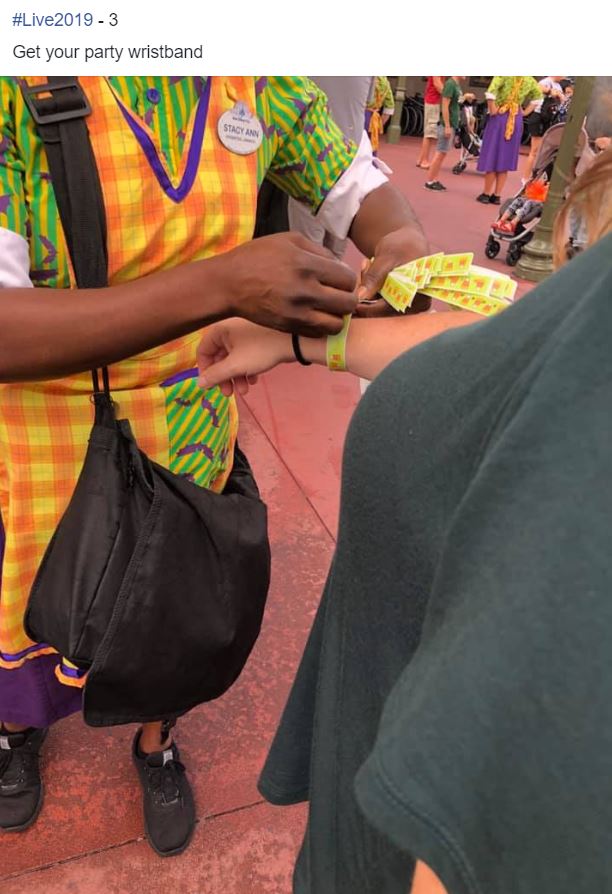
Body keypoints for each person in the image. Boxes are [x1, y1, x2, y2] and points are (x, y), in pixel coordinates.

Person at [0, 75, 428, 854]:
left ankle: (155, 740)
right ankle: (17, 732)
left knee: (181, 599)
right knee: (30, 602)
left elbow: (357, 187)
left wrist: (397, 240)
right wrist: (221, 283)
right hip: (42, 419)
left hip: (195, 402)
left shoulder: (255, 76)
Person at [197, 149, 612, 894]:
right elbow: (518, 348)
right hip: (368, 769)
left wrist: (215, 284)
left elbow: (501, 812)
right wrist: (308, 342)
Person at [288, 77, 375, 258]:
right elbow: (368, 101)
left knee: (308, 248)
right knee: (336, 248)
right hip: (348, 163)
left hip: (310, 159)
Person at [476, 75, 542, 205]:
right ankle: (497, 195)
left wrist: (493, 109)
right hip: (515, 117)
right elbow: (538, 98)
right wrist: (524, 112)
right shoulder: (529, 79)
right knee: (505, 157)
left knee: (493, 155)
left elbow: (490, 93)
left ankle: (486, 193)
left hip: (500, 116)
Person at [424, 76, 464, 191]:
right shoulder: (451, 84)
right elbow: (445, 105)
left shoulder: (455, 85)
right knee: (440, 152)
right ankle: (430, 181)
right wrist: (447, 125)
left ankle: (434, 179)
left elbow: (455, 102)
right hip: (447, 124)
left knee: (442, 153)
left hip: (452, 123)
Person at [522, 76, 565, 180]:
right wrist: (550, 91)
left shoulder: (558, 86)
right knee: (535, 151)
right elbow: (538, 89)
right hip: (539, 117)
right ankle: (526, 178)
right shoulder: (546, 82)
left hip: (550, 119)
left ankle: (537, 177)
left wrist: (560, 95)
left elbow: (562, 101)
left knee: (545, 151)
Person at [416, 76, 445, 169]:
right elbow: (437, 84)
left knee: (429, 131)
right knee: (430, 132)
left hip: (433, 101)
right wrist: (449, 95)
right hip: (433, 101)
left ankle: (421, 158)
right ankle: (424, 160)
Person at [365, 76, 396, 155]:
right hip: (374, 118)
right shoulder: (385, 81)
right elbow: (389, 107)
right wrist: (380, 123)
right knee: (370, 146)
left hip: (361, 114)